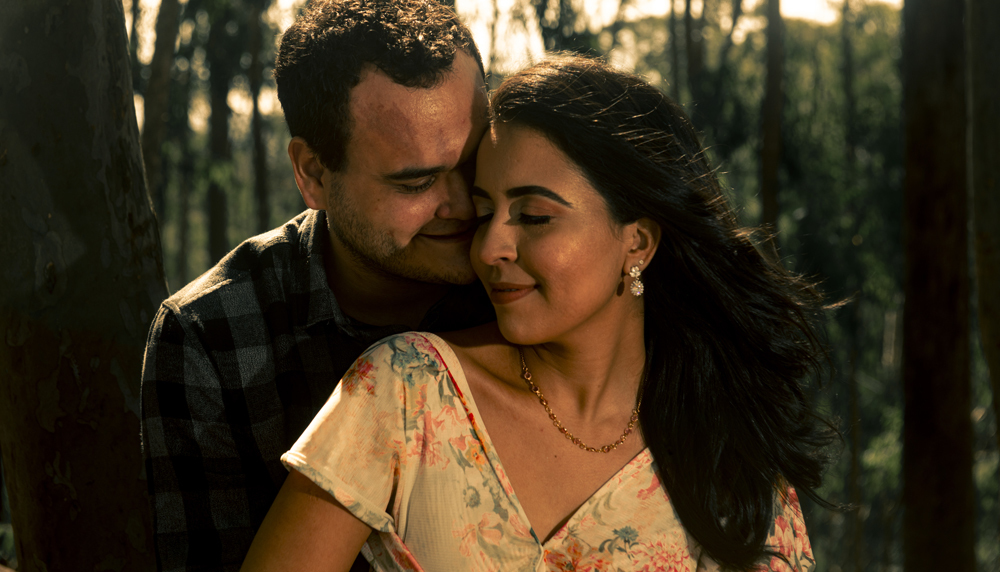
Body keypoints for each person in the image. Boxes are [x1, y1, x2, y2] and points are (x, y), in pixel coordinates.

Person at [240, 54, 836, 572]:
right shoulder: (406, 392)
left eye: (534, 216)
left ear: (637, 242)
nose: (489, 247)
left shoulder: (728, 448)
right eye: (485, 210)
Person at [140, 0, 495, 572]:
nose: (463, 203)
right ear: (313, 173)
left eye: (473, 160)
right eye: (416, 183)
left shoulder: (526, 287)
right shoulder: (210, 338)